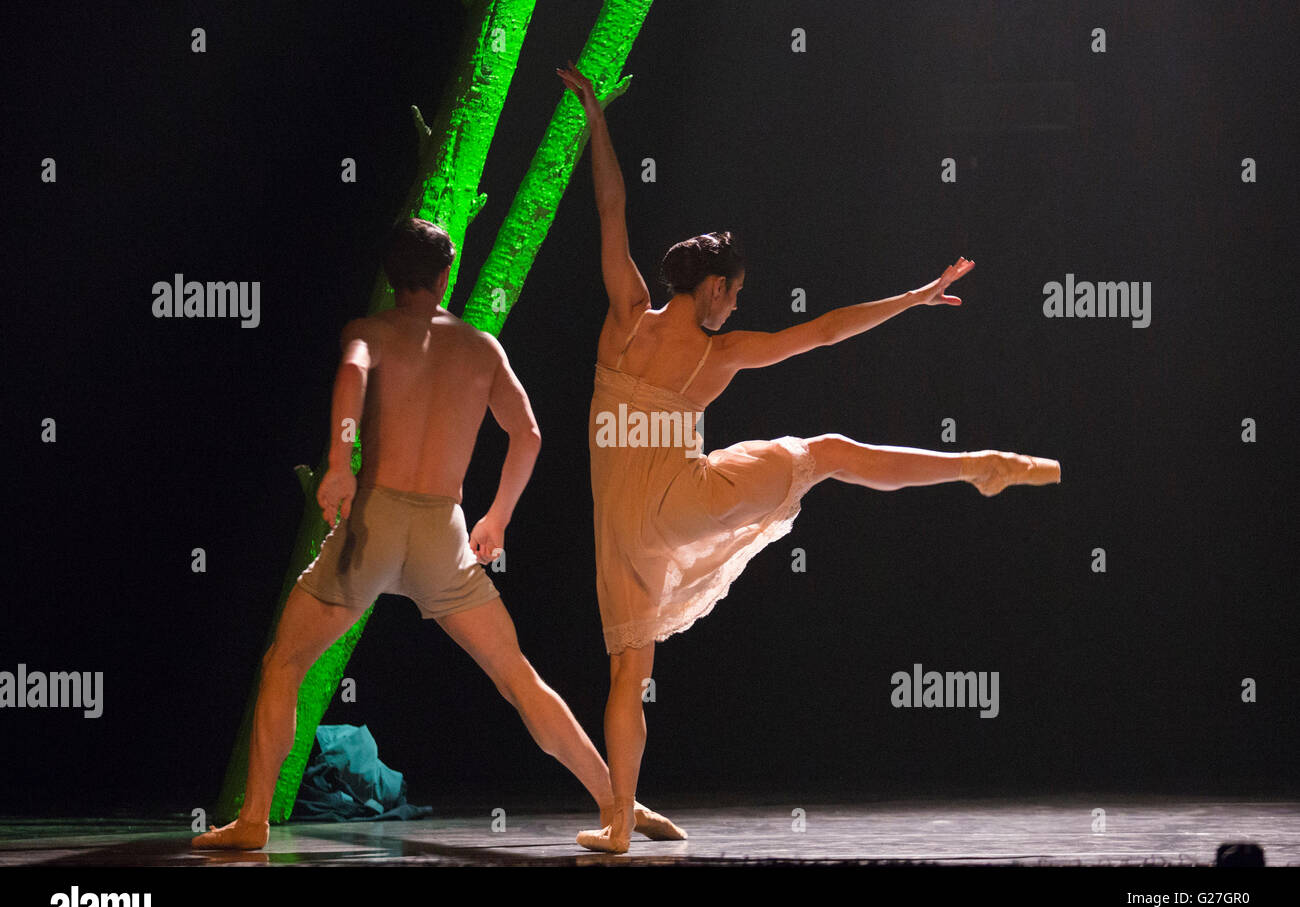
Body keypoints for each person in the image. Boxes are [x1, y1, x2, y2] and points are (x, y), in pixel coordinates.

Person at [556, 62, 1061, 853]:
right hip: (676, 504)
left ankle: (619, 819)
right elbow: (823, 331)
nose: (737, 305)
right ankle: (971, 465)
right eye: (737, 292)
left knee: (628, 674)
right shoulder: (718, 355)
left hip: (615, 527)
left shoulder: (625, 314)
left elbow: (611, 205)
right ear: (715, 286)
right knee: (825, 453)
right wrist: (913, 298)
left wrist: (595, 116)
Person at [194, 218, 683, 850]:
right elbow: (529, 433)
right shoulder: (480, 348)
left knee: (283, 664)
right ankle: (621, 803)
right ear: (445, 273)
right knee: (519, 678)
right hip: (442, 535)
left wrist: (342, 462)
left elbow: (350, 376)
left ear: (391, 277)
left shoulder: (368, 332)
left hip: (373, 525)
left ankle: (256, 820)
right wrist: (498, 515)